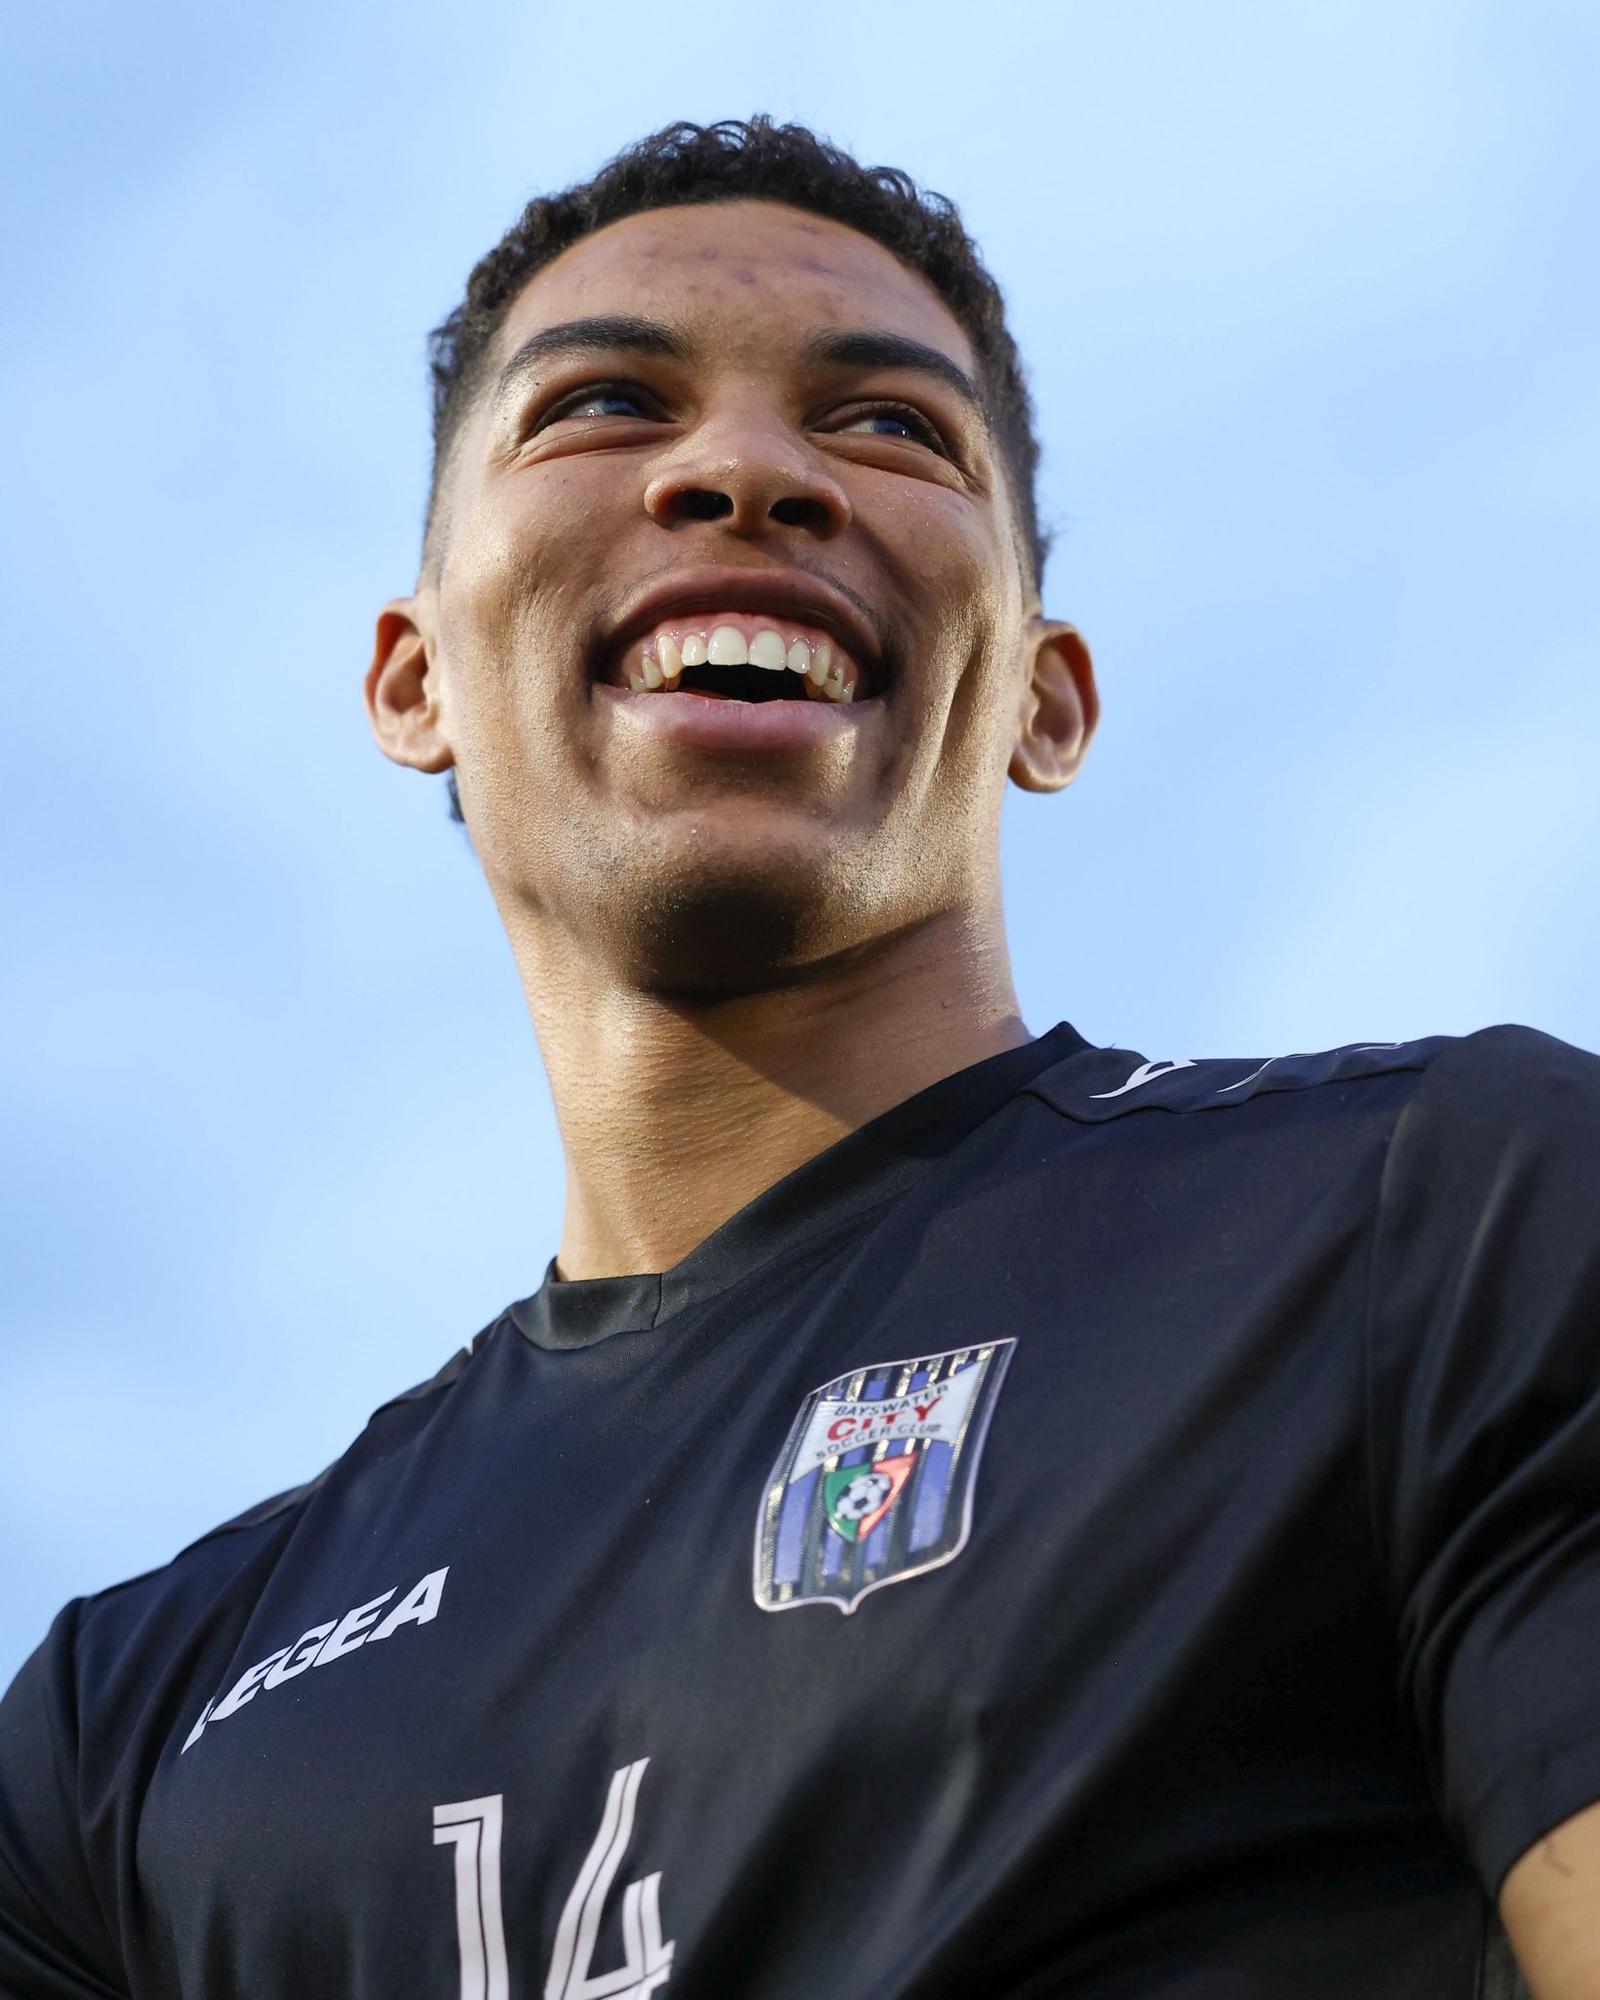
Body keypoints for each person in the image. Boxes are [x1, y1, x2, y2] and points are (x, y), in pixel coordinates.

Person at [1, 116, 1596, 2000]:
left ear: (1044, 698)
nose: (749, 470)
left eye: (890, 426)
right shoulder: (117, 1736)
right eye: (605, 403)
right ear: (414, 679)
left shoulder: (1443, 1224)